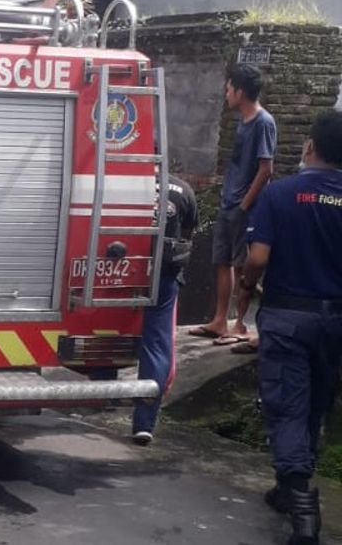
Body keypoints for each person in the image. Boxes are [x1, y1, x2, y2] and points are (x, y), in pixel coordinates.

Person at [239, 111, 342, 545]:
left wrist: (246, 284)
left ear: (309, 147)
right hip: (335, 321)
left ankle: (301, 506)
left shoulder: (280, 195)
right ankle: (288, 489)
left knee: (286, 408)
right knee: (316, 404)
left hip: (286, 318)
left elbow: (258, 258)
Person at [189, 64, 276, 344]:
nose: (226, 94)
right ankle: (219, 320)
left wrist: (244, 204)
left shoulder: (263, 122)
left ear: (240, 91)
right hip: (229, 203)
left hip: (243, 206)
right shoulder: (243, 121)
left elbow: (266, 169)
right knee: (221, 262)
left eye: (229, 89)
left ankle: (239, 324)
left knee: (241, 265)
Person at [132, 175, 197, 446]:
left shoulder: (124, 181)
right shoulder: (183, 190)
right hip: (164, 275)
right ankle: (144, 423)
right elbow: (189, 233)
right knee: (157, 347)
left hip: (120, 267)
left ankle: (104, 391)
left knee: (106, 329)